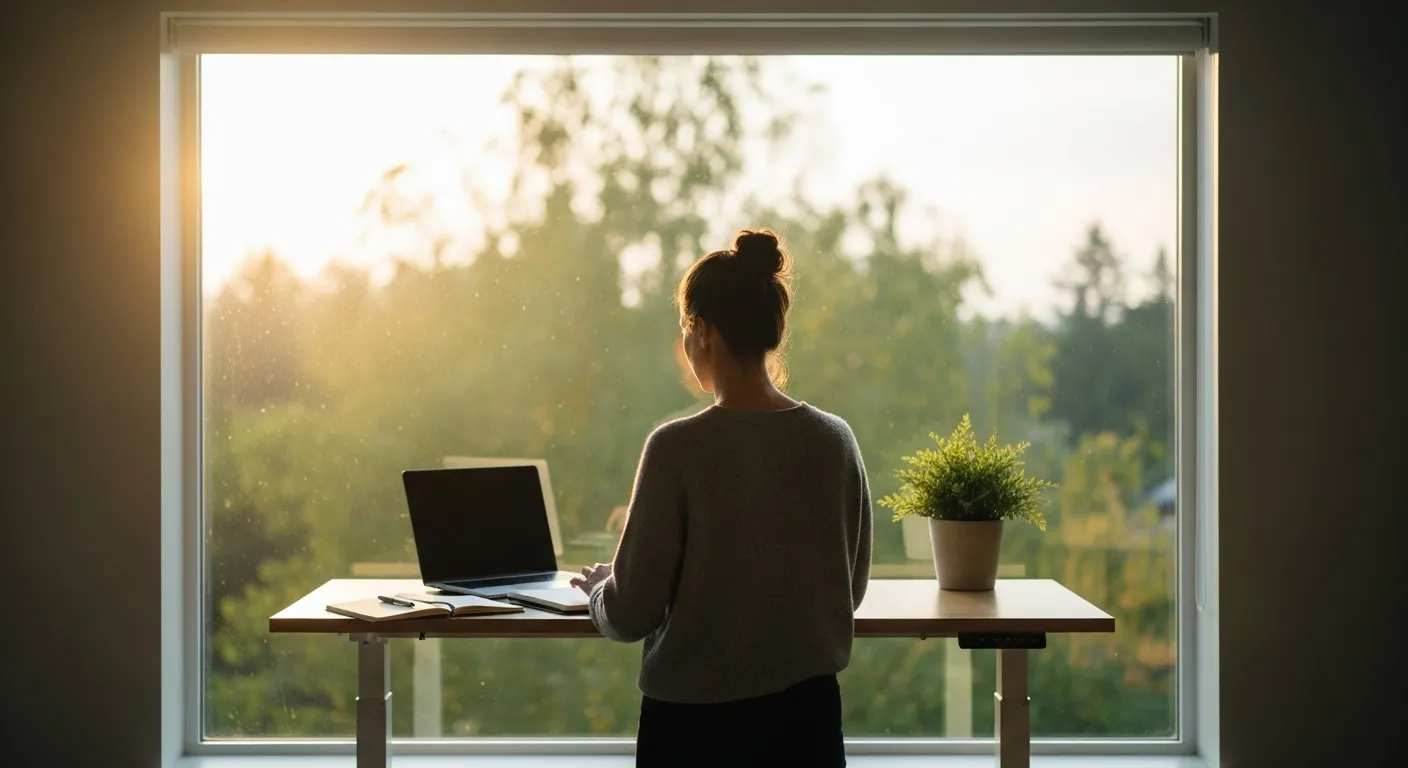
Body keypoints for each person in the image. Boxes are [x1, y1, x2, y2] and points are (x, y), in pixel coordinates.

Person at [571, 229, 873, 767]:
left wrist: (601, 590)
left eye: (685, 331)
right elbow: (848, 590)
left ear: (702, 332)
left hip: (693, 729)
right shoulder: (834, 441)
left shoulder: (676, 448)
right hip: (807, 723)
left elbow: (630, 611)